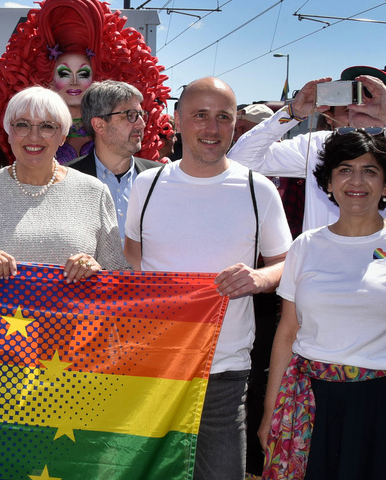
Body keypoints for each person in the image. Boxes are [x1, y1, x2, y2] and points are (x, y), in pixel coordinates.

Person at [124, 77, 292, 480]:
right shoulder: (145, 186)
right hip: (152, 366)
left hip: (224, 372)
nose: (212, 128)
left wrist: (258, 277)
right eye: (200, 115)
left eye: (223, 117)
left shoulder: (258, 189)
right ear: (177, 121)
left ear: (236, 125)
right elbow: (131, 262)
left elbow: (288, 265)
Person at [260, 129, 386, 479]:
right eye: (344, 169)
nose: (356, 180)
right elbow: (287, 332)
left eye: (370, 171)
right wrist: (270, 412)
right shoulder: (306, 245)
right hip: (311, 403)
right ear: (328, 182)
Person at [0, 86, 128, 280]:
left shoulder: (95, 193)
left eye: (47, 126)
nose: (33, 136)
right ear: (8, 133)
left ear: (63, 136)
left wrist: (97, 269)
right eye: (22, 125)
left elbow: (118, 278)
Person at [0, 0, 170, 163]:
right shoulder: (29, 132)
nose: (74, 82)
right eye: (64, 73)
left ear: (97, 79)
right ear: (48, 80)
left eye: (83, 74)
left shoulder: (115, 130)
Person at [230, 65, 386, 231]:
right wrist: (292, 113)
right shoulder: (319, 145)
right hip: (320, 261)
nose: (363, 101)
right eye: (356, 92)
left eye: (375, 94)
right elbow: (241, 161)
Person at [65, 80, 162, 241]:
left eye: (141, 114)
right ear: (99, 125)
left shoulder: (160, 177)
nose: (141, 124)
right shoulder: (67, 180)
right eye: (130, 115)